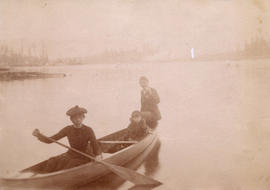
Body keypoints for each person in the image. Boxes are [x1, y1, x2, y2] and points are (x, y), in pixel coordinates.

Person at [32, 105, 102, 173]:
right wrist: (39, 135)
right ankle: (45, 178)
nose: (78, 119)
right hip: (71, 153)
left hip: (83, 155)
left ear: (83, 117)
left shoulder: (88, 130)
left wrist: (98, 155)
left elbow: (95, 145)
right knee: (52, 161)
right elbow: (50, 140)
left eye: (80, 117)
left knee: (69, 165)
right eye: (75, 118)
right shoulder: (68, 129)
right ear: (71, 119)